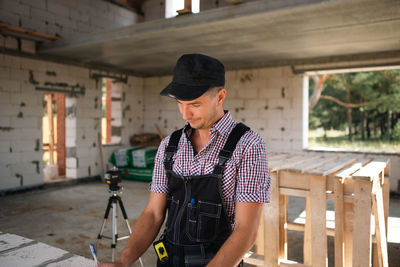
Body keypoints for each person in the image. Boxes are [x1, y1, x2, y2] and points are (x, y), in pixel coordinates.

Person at [100, 53, 270, 267]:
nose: (185, 114)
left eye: (195, 104)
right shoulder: (169, 145)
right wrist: (123, 262)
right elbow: (153, 213)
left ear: (220, 97)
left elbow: (247, 230)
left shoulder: (248, 145)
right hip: (169, 259)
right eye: (180, 103)